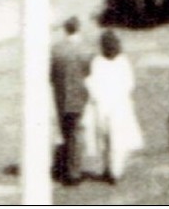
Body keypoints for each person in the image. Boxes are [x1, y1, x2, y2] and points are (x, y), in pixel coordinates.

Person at [83, 30, 144, 183]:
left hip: (103, 106)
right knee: (118, 139)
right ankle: (116, 170)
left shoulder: (97, 62)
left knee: (105, 140)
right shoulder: (122, 61)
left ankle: (109, 168)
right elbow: (130, 83)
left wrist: (96, 97)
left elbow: (91, 84)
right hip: (119, 104)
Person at [50, 17, 91, 185]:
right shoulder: (86, 50)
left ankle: (64, 167)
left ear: (65, 30)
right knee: (77, 132)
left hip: (60, 96)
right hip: (79, 96)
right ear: (78, 28)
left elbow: (50, 74)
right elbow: (90, 72)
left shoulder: (56, 50)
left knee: (65, 131)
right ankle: (74, 172)